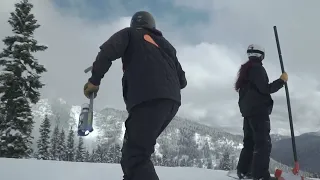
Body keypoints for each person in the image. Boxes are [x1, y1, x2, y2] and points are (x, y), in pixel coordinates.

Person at [83, 11, 187, 180]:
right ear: (152, 25)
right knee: (134, 153)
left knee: (136, 156)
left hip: (147, 99)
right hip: (171, 102)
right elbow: (182, 80)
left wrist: (94, 81)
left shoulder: (129, 33)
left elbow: (107, 52)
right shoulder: (166, 45)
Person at [234, 44, 288, 180]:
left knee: (250, 143)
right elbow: (265, 88)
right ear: (261, 55)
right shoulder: (257, 69)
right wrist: (281, 81)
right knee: (262, 144)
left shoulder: (245, 71)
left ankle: (243, 171)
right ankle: (260, 175)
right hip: (259, 112)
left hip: (248, 113)